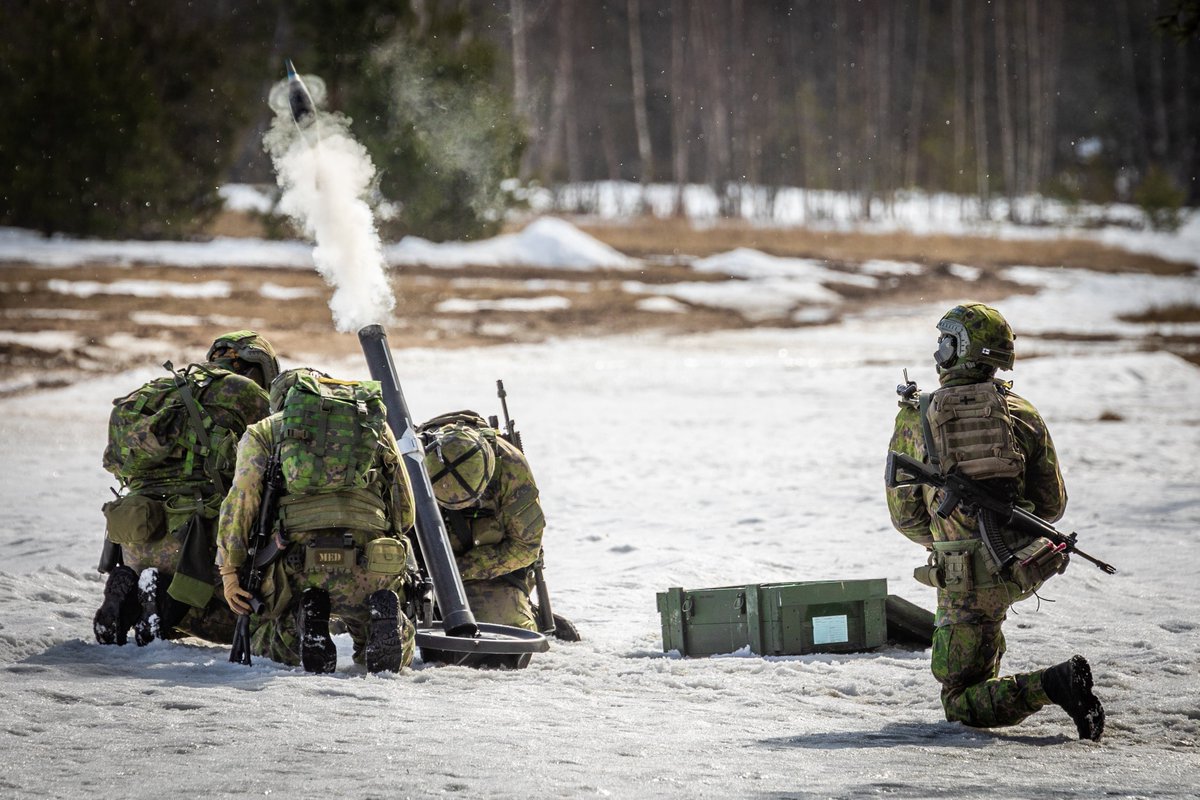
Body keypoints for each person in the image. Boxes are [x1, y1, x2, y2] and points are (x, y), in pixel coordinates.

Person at [885, 302, 1105, 741]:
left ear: (958, 349)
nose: (937, 351)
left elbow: (906, 516)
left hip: (964, 578)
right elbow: (1051, 503)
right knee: (980, 647)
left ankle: (1053, 684)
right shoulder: (1021, 411)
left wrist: (948, 537)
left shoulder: (918, 415)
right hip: (1021, 566)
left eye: (944, 342)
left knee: (960, 700)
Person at [216, 367, 417, 673]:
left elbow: (241, 501)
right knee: (387, 630)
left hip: (297, 565)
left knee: (266, 640)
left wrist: (230, 571)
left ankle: (304, 622)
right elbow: (405, 510)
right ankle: (383, 623)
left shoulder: (265, 431)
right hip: (370, 561)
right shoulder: (374, 427)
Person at [93, 330, 278, 648]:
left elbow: (115, 463)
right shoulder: (243, 393)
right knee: (258, 621)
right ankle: (167, 607)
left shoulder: (160, 391)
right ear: (258, 367)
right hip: (198, 543)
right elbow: (280, 457)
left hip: (137, 537)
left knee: (160, 591)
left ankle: (131, 601)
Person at [420, 414, 545, 633]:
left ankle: (521, 606)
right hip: (424, 563)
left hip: (485, 566)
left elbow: (526, 547)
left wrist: (460, 570)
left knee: (506, 632)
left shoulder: (510, 468)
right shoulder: (412, 460)